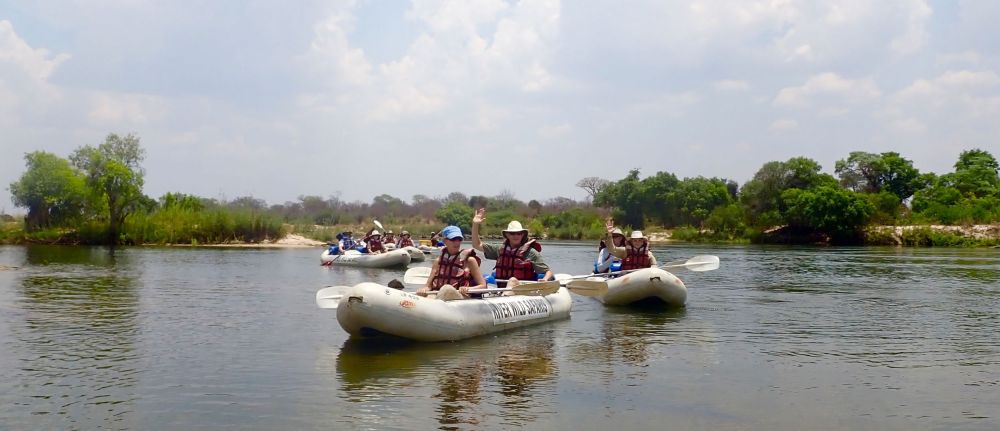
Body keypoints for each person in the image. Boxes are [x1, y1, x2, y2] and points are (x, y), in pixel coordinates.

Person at [471, 208, 552, 286]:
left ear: (523, 234)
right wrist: (475, 224)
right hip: (500, 288)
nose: (516, 236)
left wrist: (545, 279)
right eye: (512, 233)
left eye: (519, 233)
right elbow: (476, 245)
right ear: (507, 235)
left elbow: (547, 272)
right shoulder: (499, 249)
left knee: (512, 280)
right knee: (485, 277)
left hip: (521, 288)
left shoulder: (531, 253)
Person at [417, 225, 487, 300]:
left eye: (459, 239)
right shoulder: (438, 261)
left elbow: (483, 285)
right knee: (421, 295)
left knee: (447, 289)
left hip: (460, 297)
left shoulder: (470, 260)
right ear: (444, 241)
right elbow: (428, 286)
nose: (457, 242)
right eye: (453, 239)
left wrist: (468, 289)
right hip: (438, 296)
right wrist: (423, 290)